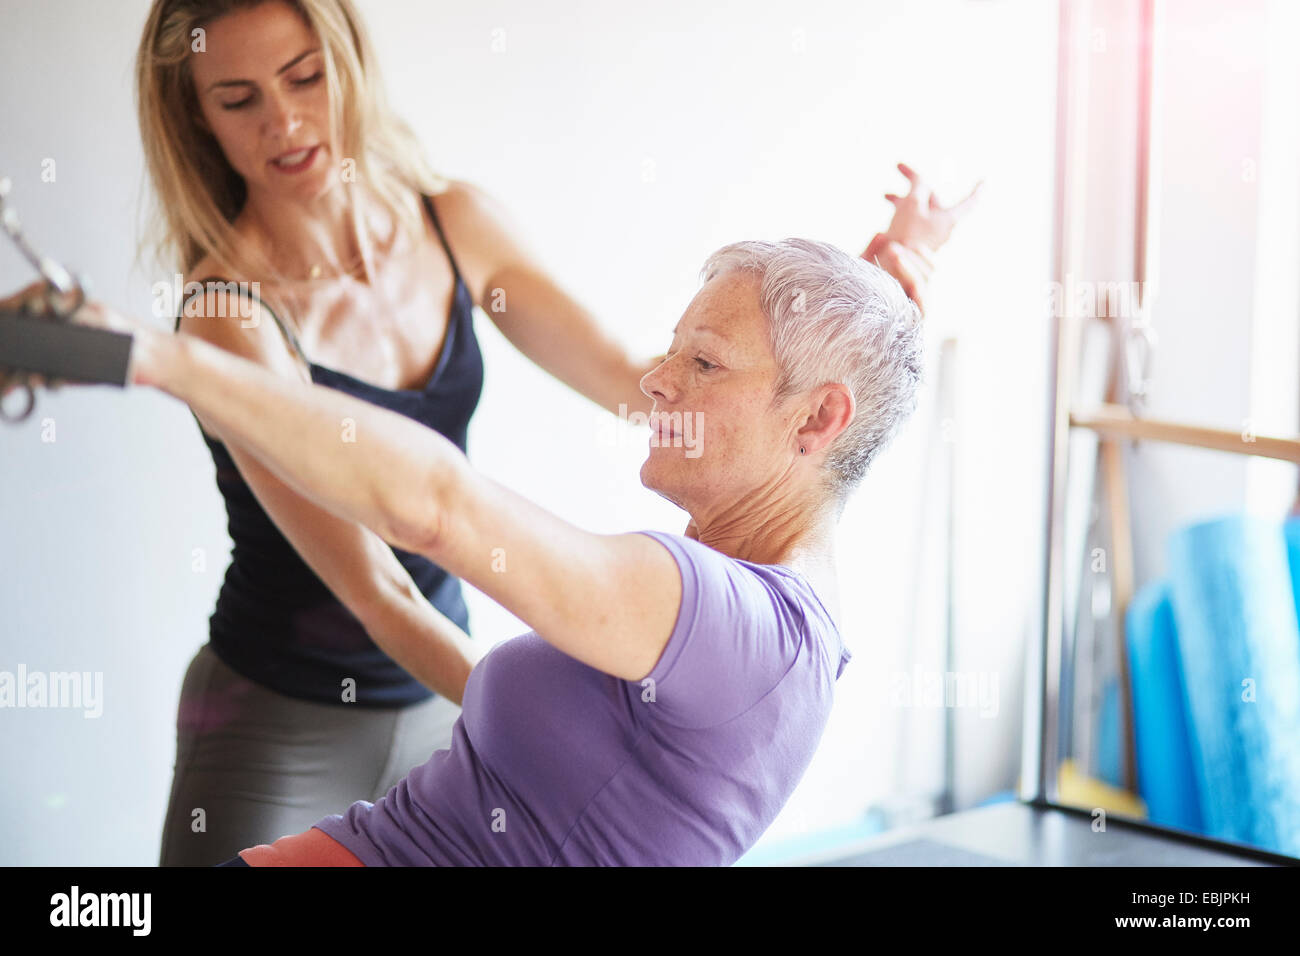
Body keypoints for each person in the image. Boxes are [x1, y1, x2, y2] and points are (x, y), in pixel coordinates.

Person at [117, 0, 974, 865]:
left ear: (350, 66)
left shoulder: (451, 224)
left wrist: (858, 319)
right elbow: (381, 590)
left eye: (305, 77)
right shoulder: (228, 315)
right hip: (285, 708)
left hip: (435, 706)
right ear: (198, 118)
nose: (287, 120)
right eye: (239, 98)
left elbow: (656, 392)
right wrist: (529, 723)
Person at [10, 231, 928, 866]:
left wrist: (151, 358)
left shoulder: (729, 623)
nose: (655, 380)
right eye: (673, 351)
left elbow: (438, 507)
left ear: (819, 418)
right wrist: (895, 275)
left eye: (702, 362)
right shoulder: (773, 600)